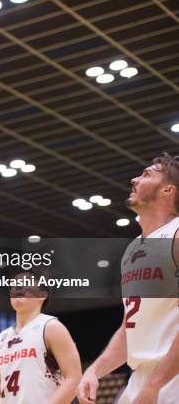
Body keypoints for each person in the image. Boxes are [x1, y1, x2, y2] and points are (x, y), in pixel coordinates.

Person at [77, 153, 179, 404]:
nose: (134, 180)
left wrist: (155, 385)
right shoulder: (133, 248)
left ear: (168, 189)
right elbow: (129, 328)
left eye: (146, 175)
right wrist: (94, 370)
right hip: (142, 378)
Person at [0, 273, 81, 404]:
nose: (18, 287)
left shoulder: (51, 327)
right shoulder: (2, 338)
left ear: (42, 295)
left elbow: (74, 378)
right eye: (14, 285)